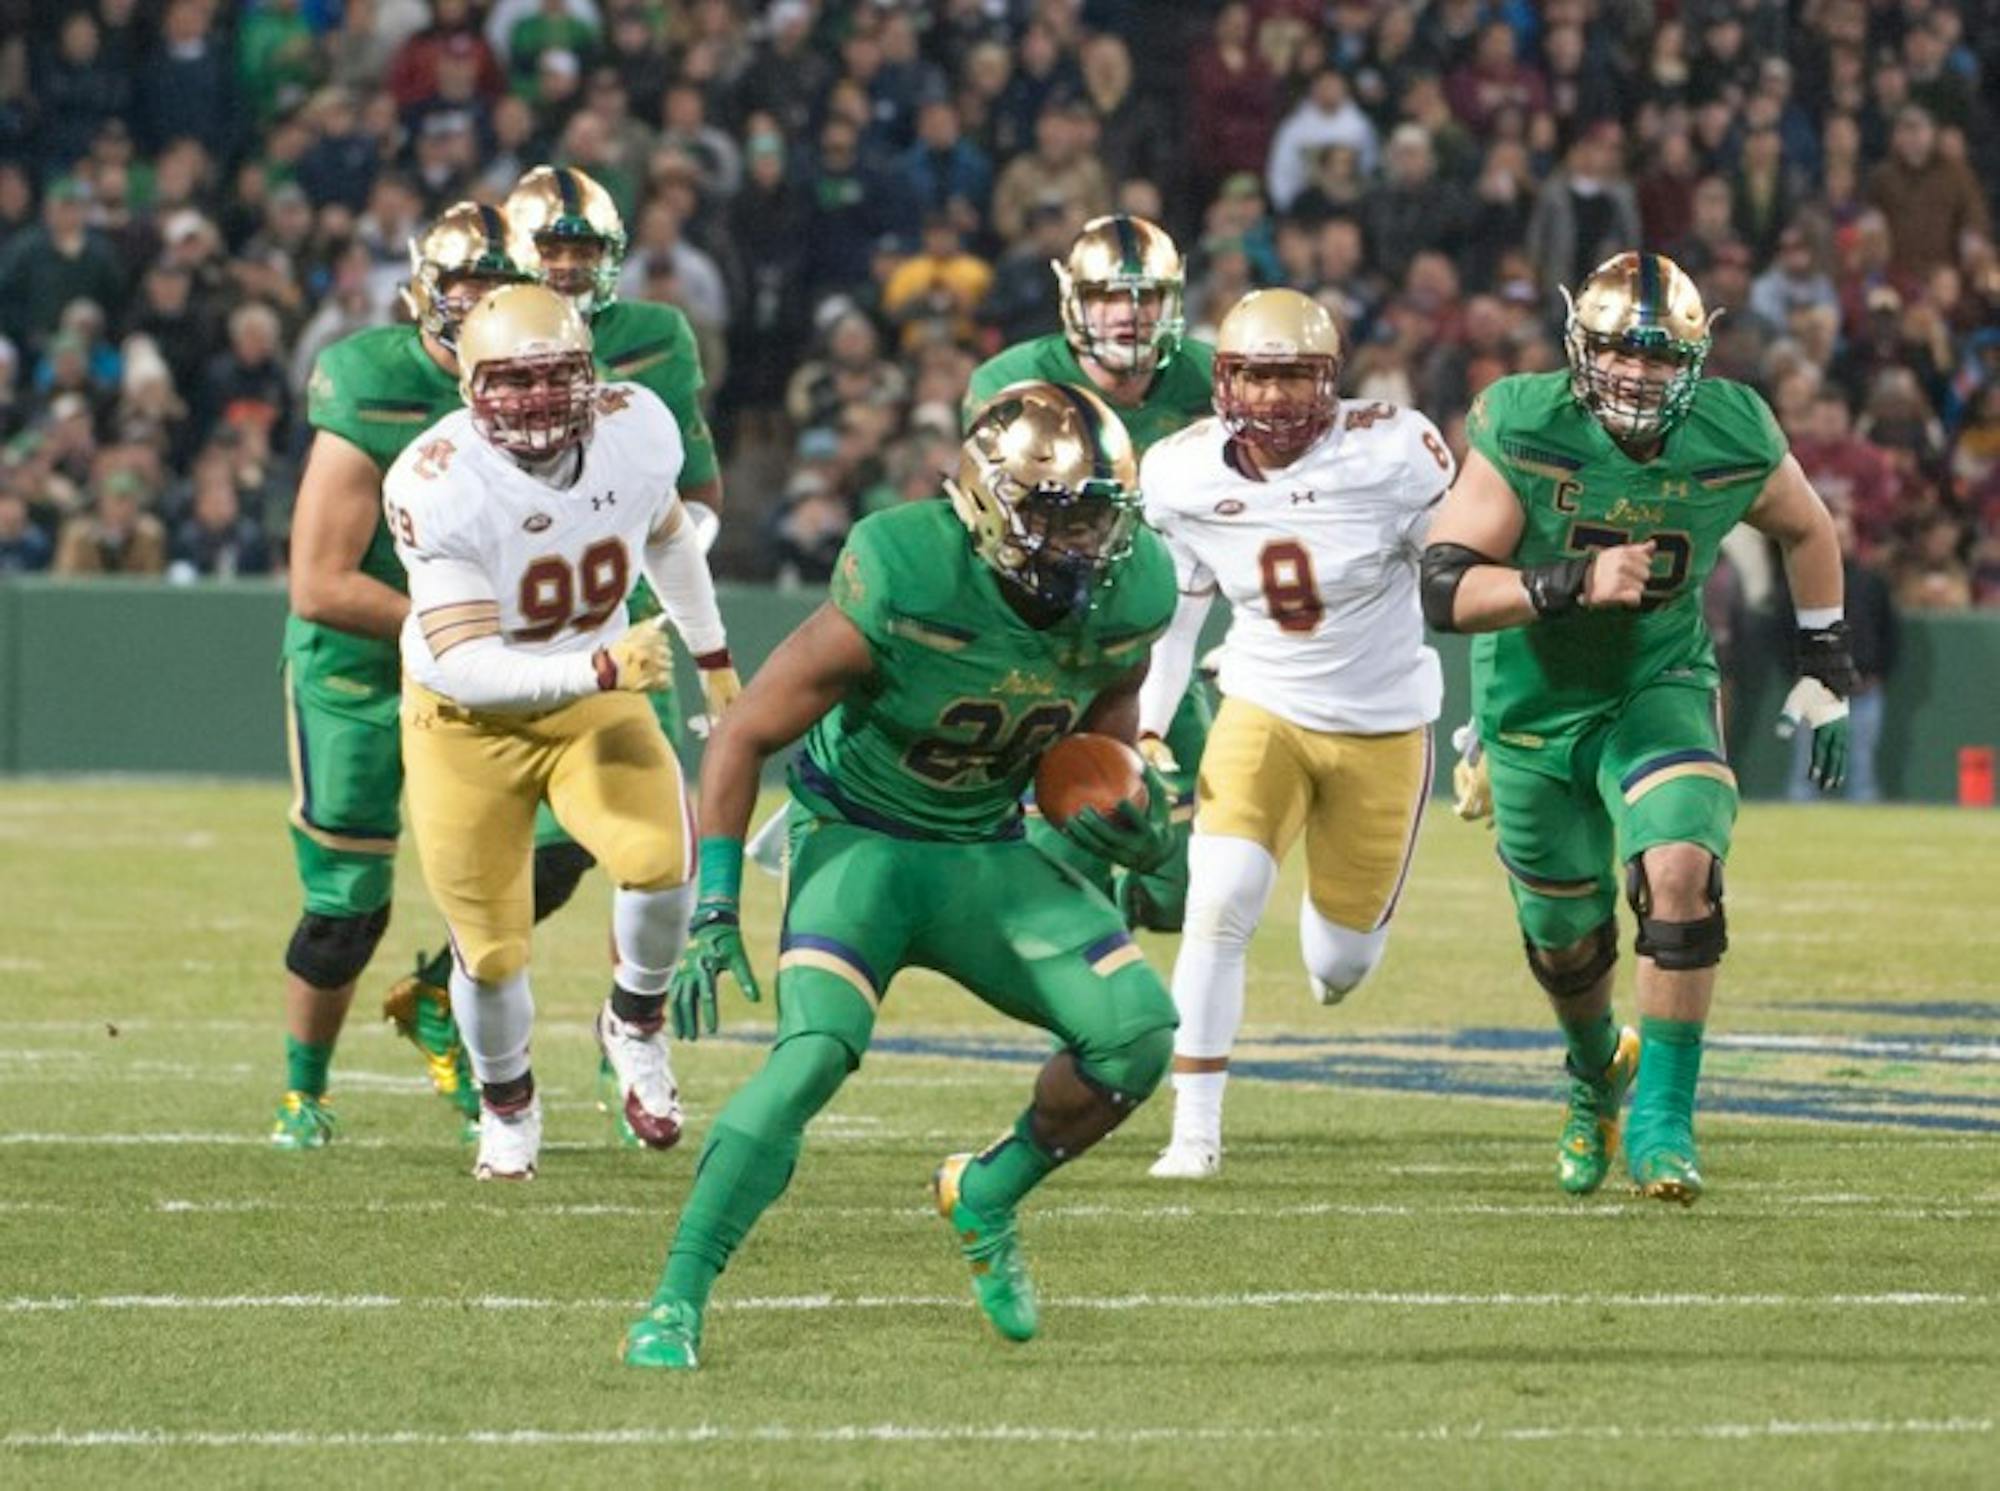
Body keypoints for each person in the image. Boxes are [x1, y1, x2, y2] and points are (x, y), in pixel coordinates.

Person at [622, 381, 1180, 1371]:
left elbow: (1099, 740)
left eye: (1099, 516)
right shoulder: (905, 569)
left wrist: (1124, 820)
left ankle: (985, 1193)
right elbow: (743, 733)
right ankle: (675, 1299)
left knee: (1136, 1035)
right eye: (1058, 515)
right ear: (987, 501)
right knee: (812, 1056)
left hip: (984, 850)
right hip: (862, 840)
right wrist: (715, 903)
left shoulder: (1133, 594)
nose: (1084, 542)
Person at [1421, 252, 1851, 1205]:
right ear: (1580, 346)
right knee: (1566, 945)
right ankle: (1593, 1075)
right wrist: (1570, 580)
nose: (1637, 373)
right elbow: (1443, 588)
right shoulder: (1525, 419)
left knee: (1682, 865)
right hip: (1533, 707)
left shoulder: (1733, 427)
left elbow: (1809, 525)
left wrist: (1827, 663)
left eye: (1660, 356)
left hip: (1660, 681)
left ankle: (1664, 1120)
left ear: (1694, 360)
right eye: (1619, 350)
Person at [375, 165, 731, 1150]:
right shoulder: (436, 481)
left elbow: (668, 534)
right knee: (491, 953)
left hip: (588, 698)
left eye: (554, 376)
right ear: (468, 386)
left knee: (662, 862)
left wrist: (713, 654)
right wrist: (600, 669)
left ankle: (635, 1024)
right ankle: (509, 1107)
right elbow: (463, 665)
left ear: (590, 374)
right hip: (465, 725)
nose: (536, 399)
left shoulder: (636, 425)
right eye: (512, 380)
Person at [1137, 289, 1452, 1179]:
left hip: (1382, 722)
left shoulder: (1395, 452)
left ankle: (1336, 951)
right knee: (1219, 899)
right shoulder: (1181, 472)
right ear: (1224, 380)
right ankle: (1193, 1131)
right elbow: (1174, 622)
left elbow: (1466, 579)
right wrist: (1148, 728)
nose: (1274, 397)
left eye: (1294, 376)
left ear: (1331, 378)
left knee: (1339, 965)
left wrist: (1490, 726)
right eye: (1256, 375)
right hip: (1262, 702)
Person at [272, 203, 541, 1150]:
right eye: (464, 288)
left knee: (539, 858)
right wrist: (456, 631)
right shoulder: (373, 379)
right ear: (425, 293)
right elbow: (319, 583)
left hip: (488, 661)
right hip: (364, 667)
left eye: (500, 290)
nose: (480, 308)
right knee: (347, 905)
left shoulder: (546, 383)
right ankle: (304, 1092)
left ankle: (451, 1016)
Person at [961, 213, 1215, 933]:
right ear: (1073, 298)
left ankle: (1111, 927)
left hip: (1156, 641)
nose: (1128, 314)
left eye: (1147, 296)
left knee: (1188, 884)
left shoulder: (1212, 379)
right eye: (1107, 296)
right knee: (1066, 876)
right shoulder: (1014, 382)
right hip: (1055, 652)